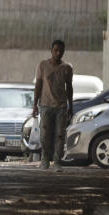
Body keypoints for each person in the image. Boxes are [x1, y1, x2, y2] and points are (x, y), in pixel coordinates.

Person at [32, 39, 73, 170]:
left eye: (61, 51)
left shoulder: (67, 68)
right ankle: (44, 159)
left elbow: (69, 87)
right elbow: (38, 85)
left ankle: (57, 161)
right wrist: (34, 105)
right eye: (56, 50)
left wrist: (70, 106)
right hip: (45, 105)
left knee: (60, 134)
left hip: (61, 106)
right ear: (51, 50)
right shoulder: (42, 65)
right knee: (45, 134)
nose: (58, 53)